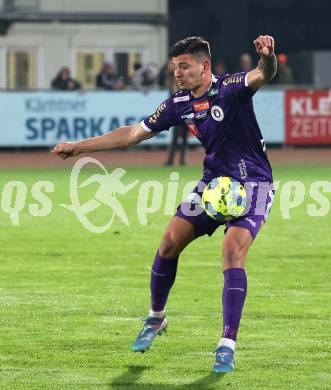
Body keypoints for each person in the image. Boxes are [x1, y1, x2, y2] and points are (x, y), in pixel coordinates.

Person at [52, 35, 277, 373]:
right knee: (170, 241)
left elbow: (263, 73)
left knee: (233, 251)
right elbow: (131, 134)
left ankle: (226, 344)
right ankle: (156, 318)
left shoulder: (231, 88)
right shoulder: (179, 102)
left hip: (255, 186)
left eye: (183, 66)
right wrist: (80, 147)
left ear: (204, 66)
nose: (177, 73)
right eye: (175, 67)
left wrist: (268, 57)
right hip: (213, 184)